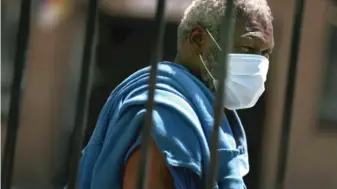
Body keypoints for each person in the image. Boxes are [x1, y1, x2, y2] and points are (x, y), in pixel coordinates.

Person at [78, 0, 274, 188]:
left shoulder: (213, 116)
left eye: (265, 53)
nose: (258, 64)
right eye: (247, 48)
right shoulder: (167, 112)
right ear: (198, 39)